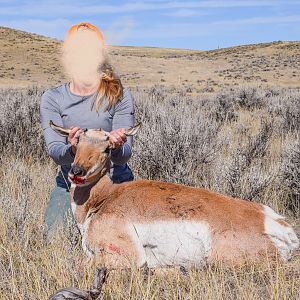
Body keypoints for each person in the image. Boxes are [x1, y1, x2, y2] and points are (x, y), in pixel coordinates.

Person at [40, 22, 135, 234]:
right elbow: (56, 153)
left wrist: (117, 146)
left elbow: (124, 156)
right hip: (71, 185)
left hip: (115, 184)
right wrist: (72, 149)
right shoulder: (53, 98)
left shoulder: (119, 95)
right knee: (56, 244)